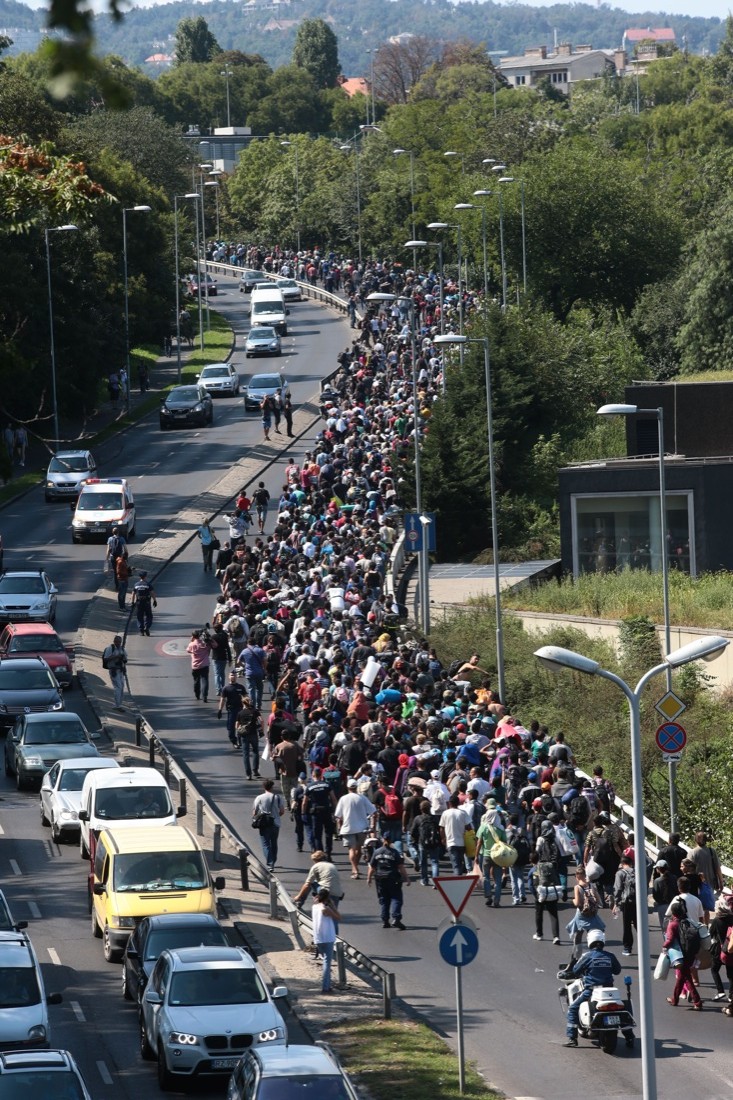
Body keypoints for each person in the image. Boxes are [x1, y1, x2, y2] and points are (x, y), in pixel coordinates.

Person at [563, 929, 635, 1048]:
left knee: (572, 1009)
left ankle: (572, 1038)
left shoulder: (587, 956)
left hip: (591, 991)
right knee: (622, 1012)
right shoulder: (610, 956)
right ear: (602, 940)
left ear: (590, 941)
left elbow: (576, 970)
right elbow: (617, 971)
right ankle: (629, 1036)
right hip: (610, 992)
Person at [662, 899, 703, 1010]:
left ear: (673, 913)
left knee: (686, 978)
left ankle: (697, 1002)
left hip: (680, 955)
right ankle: (675, 999)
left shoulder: (673, 924)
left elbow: (669, 939)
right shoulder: (688, 921)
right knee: (682, 977)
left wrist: (664, 946)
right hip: (691, 953)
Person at [334, 777, 377, 879]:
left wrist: (339, 827)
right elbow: (374, 812)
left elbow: (338, 816)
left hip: (348, 828)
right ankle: (355, 867)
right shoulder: (362, 798)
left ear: (348, 787)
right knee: (358, 849)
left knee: (351, 849)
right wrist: (372, 826)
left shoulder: (343, 799)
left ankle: (354, 869)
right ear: (356, 787)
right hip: (362, 828)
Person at [367, 834, 409, 930]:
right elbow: (401, 867)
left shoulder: (377, 852)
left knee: (384, 900)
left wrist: (368, 878)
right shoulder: (394, 852)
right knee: (396, 898)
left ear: (383, 839)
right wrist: (406, 878)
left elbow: (372, 866)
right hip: (393, 878)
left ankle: (385, 920)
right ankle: (396, 918)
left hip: (380, 879)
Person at [566, 864, 605, 960]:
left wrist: (573, 901)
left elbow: (578, 902)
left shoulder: (577, 887)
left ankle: (576, 958)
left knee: (578, 936)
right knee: (592, 933)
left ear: (576, 876)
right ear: (585, 875)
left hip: (582, 914)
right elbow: (598, 899)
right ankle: (596, 954)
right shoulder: (591, 885)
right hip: (592, 913)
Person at [251, 778, 285, 871]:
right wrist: (276, 816)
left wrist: (257, 816)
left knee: (266, 843)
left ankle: (270, 864)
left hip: (264, 824)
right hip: (275, 823)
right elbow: (282, 811)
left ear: (264, 787)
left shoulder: (259, 797)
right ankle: (273, 860)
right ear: (272, 787)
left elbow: (254, 812)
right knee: (274, 843)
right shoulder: (278, 797)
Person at [311, 888, 340, 994]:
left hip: (318, 938)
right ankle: (325, 987)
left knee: (325, 960)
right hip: (328, 937)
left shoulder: (314, 907)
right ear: (327, 897)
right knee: (327, 962)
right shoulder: (325, 909)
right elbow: (338, 917)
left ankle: (327, 985)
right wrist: (332, 905)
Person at [613, 853, 637, 957]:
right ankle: (644, 945)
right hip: (638, 901)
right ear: (631, 863)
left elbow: (618, 889)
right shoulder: (638, 871)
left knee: (627, 925)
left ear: (622, 863)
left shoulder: (620, 873)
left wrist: (616, 902)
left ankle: (627, 948)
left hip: (626, 902)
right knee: (638, 924)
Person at [217, 670, 246, 746]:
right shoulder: (226, 688)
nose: (233, 676)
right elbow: (222, 699)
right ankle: (234, 741)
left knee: (241, 726)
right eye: (231, 675)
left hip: (240, 710)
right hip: (231, 710)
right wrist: (220, 710)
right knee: (231, 728)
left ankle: (240, 740)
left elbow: (246, 698)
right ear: (229, 677)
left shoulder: (241, 687)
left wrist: (248, 708)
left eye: (234, 675)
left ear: (236, 676)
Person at [237, 698, 262, 779]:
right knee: (255, 751)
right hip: (253, 733)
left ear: (242, 703)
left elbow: (237, 724)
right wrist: (261, 730)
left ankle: (248, 774)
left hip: (244, 735)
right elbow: (261, 720)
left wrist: (238, 732)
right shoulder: (255, 711)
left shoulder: (240, 713)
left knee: (246, 754)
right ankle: (255, 770)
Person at [102, 634, 127, 711]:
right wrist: (115, 657)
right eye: (117, 642)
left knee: (122, 687)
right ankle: (117, 705)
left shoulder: (122, 649)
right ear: (114, 641)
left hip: (120, 670)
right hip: (113, 670)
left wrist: (123, 662)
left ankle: (119, 704)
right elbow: (105, 659)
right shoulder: (110, 649)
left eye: (119, 642)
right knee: (118, 687)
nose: (118, 643)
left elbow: (125, 660)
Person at [186, 629, 211, 703]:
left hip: (195, 665)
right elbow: (210, 647)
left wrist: (191, 641)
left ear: (193, 636)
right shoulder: (204, 644)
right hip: (204, 664)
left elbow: (188, 650)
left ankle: (197, 694)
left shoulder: (192, 644)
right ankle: (205, 695)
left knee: (196, 680)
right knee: (205, 680)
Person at [132, 571, 157, 636]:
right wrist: (155, 600)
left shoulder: (136, 584)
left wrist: (132, 602)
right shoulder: (148, 584)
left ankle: (141, 630)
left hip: (139, 602)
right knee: (149, 615)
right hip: (146, 602)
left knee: (139, 616)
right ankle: (147, 627)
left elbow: (133, 594)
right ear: (145, 576)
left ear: (140, 577)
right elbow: (152, 593)